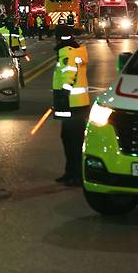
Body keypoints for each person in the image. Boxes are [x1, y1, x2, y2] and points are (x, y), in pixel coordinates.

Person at [52, 24, 89, 187]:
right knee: (72, 140)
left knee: (71, 141)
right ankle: (71, 173)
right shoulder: (76, 50)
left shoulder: (66, 52)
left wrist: (62, 95)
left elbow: (69, 74)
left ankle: (75, 175)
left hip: (71, 103)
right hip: (79, 104)